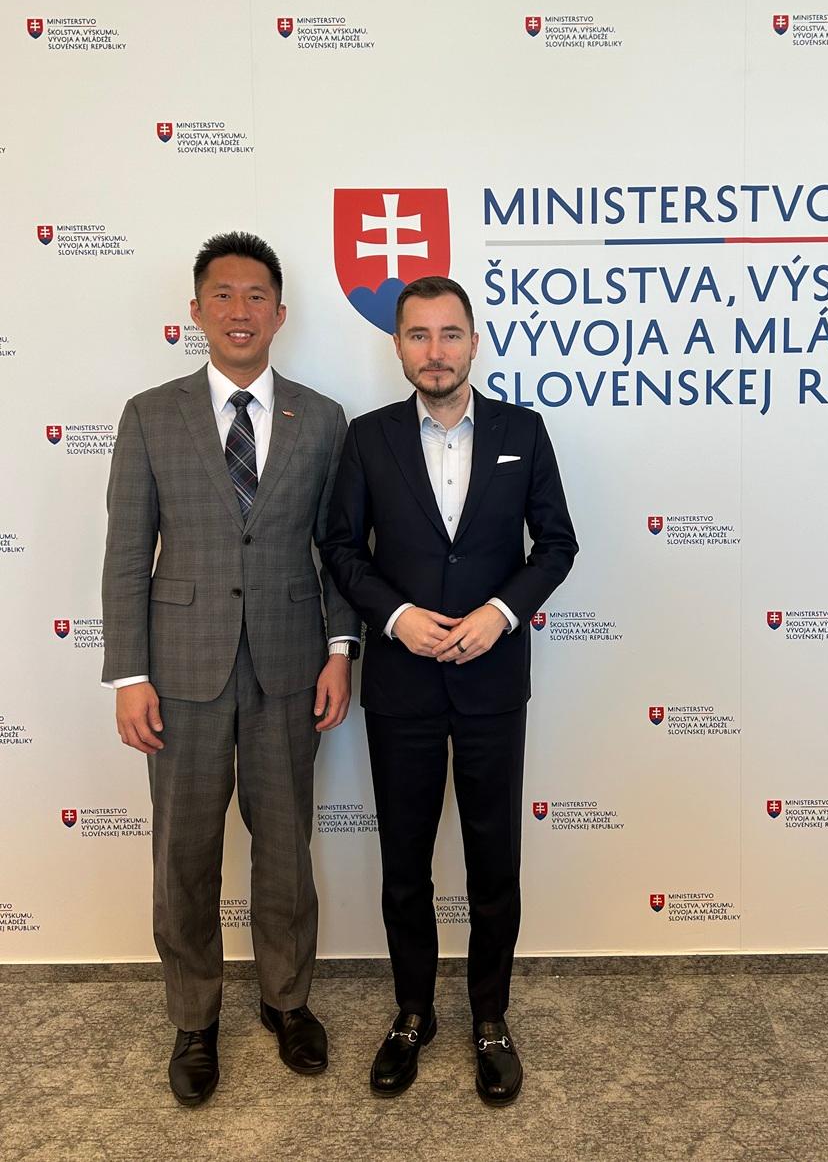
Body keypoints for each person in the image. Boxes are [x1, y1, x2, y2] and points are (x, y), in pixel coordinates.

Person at [101, 232, 359, 1106]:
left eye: (256, 296)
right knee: (185, 850)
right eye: (223, 295)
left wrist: (340, 649)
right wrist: (128, 673)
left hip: (291, 666)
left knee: (285, 846)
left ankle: (286, 1001)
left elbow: (337, 548)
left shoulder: (321, 418)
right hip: (179, 671)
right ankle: (194, 1018)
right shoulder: (150, 414)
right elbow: (126, 554)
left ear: (280, 313)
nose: (240, 310)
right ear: (197, 310)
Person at [321, 275, 577, 1107]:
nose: (435, 352)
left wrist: (501, 613)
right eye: (419, 335)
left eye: (450, 334)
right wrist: (396, 617)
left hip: (493, 683)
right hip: (402, 685)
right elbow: (340, 547)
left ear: (473, 340)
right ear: (398, 345)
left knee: (494, 860)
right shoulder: (367, 438)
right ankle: (413, 1013)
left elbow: (557, 544)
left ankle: (490, 1018)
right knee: (405, 864)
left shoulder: (523, 431)